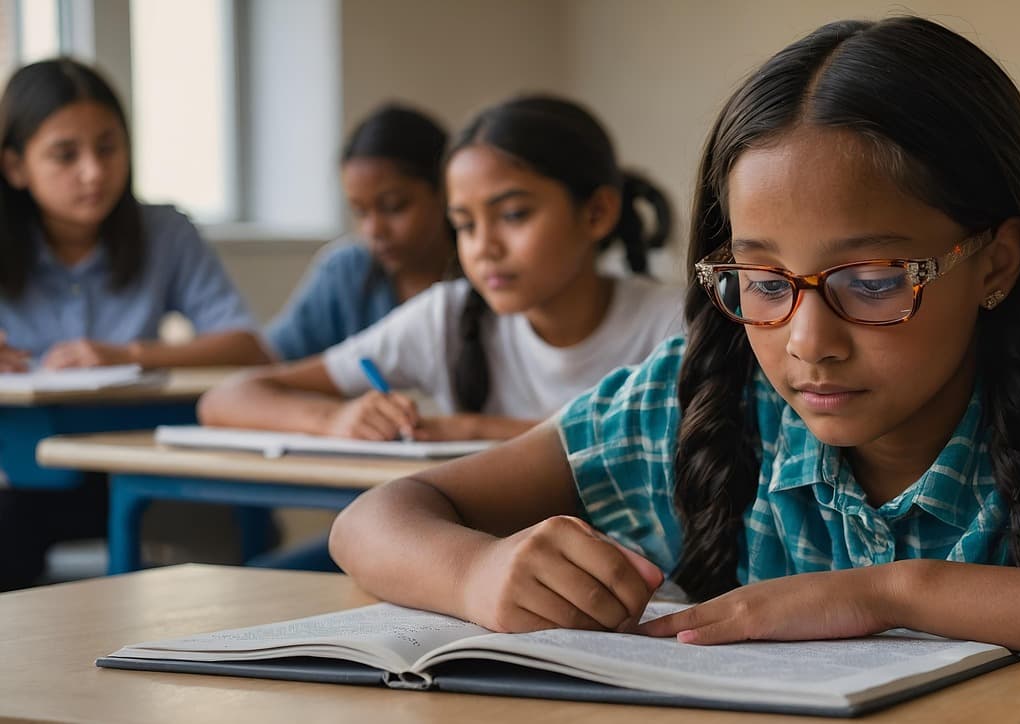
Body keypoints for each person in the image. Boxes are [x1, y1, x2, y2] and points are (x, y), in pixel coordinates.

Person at [328, 18, 1020, 698]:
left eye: (871, 280)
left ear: (995, 261)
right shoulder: (703, 399)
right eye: (764, 281)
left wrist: (887, 594)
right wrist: (476, 577)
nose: (807, 340)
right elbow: (379, 519)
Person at [199, 95, 682, 443]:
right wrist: (336, 420)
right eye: (465, 224)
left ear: (596, 213)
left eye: (513, 215)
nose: (484, 247)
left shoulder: (671, 324)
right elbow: (227, 398)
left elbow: (673, 447)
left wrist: (477, 429)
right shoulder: (446, 317)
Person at [0, 58, 268, 589]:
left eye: (107, 147)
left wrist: (129, 354)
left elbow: (247, 346)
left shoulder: (164, 231)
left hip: (138, 466)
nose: (94, 172)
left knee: (240, 523)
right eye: (65, 155)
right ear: (15, 167)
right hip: (17, 482)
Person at [266, 104, 456, 362]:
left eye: (393, 207)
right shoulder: (345, 272)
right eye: (360, 212)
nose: (374, 230)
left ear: (445, 191)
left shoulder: (485, 275)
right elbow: (270, 359)